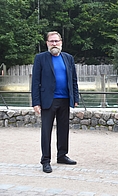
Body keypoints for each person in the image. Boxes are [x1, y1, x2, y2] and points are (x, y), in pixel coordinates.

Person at [31, 31, 79, 173]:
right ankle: (45, 160)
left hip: (65, 99)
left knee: (64, 129)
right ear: (47, 43)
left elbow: (73, 79)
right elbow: (35, 82)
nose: (54, 44)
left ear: (61, 42)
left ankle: (62, 155)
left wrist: (75, 97)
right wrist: (36, 102)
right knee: (46, 131)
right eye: (51, 41)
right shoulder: (41, 58)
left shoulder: (68, 58)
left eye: (56, 41)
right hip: (48, 100)